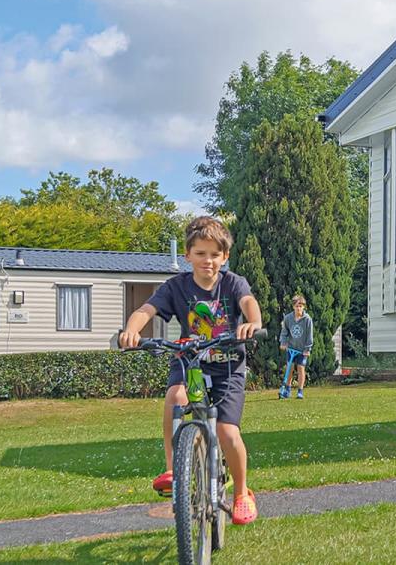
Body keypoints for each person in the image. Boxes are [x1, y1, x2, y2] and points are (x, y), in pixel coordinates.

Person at [119, 216, 262, 525]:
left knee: (226, 431)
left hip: (227, 366)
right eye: (200, 253)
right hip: (189, 360)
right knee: (175, 395)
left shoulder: (233, 283)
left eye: (214, 254)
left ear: (224, 257)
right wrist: (131, 330)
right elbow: (147, 309)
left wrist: (253, 323)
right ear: (188, 255)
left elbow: (248, 302)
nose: (207, 261)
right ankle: (173, 469)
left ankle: (240, 493)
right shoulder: (176, 287)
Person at [279, 294, 314, 399]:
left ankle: (300, 391)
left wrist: (307, 349)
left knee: (300, 368)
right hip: (291, 348)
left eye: (301, 306)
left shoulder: (307, 319)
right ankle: (287, 390)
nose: (298, 308)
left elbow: (309, 335)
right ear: (293, 306)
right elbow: (284, 331)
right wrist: (283, 343)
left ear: (303, 307)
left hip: (302, 350)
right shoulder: (288, 318)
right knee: (289, 368)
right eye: (297, 306)